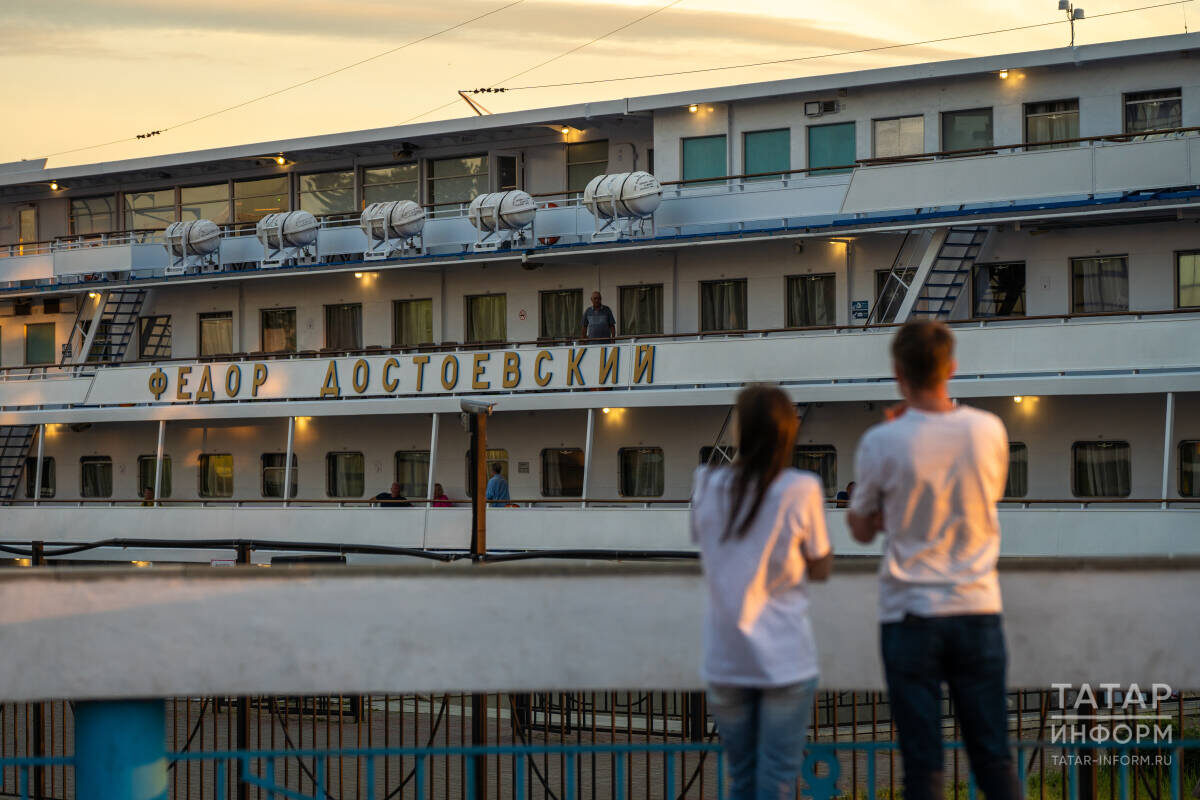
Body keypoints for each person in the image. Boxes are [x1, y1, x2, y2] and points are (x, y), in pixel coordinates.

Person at [847, 320, 1018, 800]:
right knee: (993, 755)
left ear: (898, 373)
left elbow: (860, 530)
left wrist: (887, 514)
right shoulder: (989, 430)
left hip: (909, 615)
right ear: (952, 368)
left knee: (923, 765)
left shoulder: (882, 442)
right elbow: (987, 498)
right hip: (978, 609)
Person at [690, 384, 834, 800]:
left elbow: (705, 542)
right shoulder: (801, 488)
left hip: (726, 658)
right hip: (786, 659)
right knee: (777, 780)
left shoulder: (706, 483)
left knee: (743, 777)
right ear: (787, 433)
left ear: (740, 431)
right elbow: (821, 566)